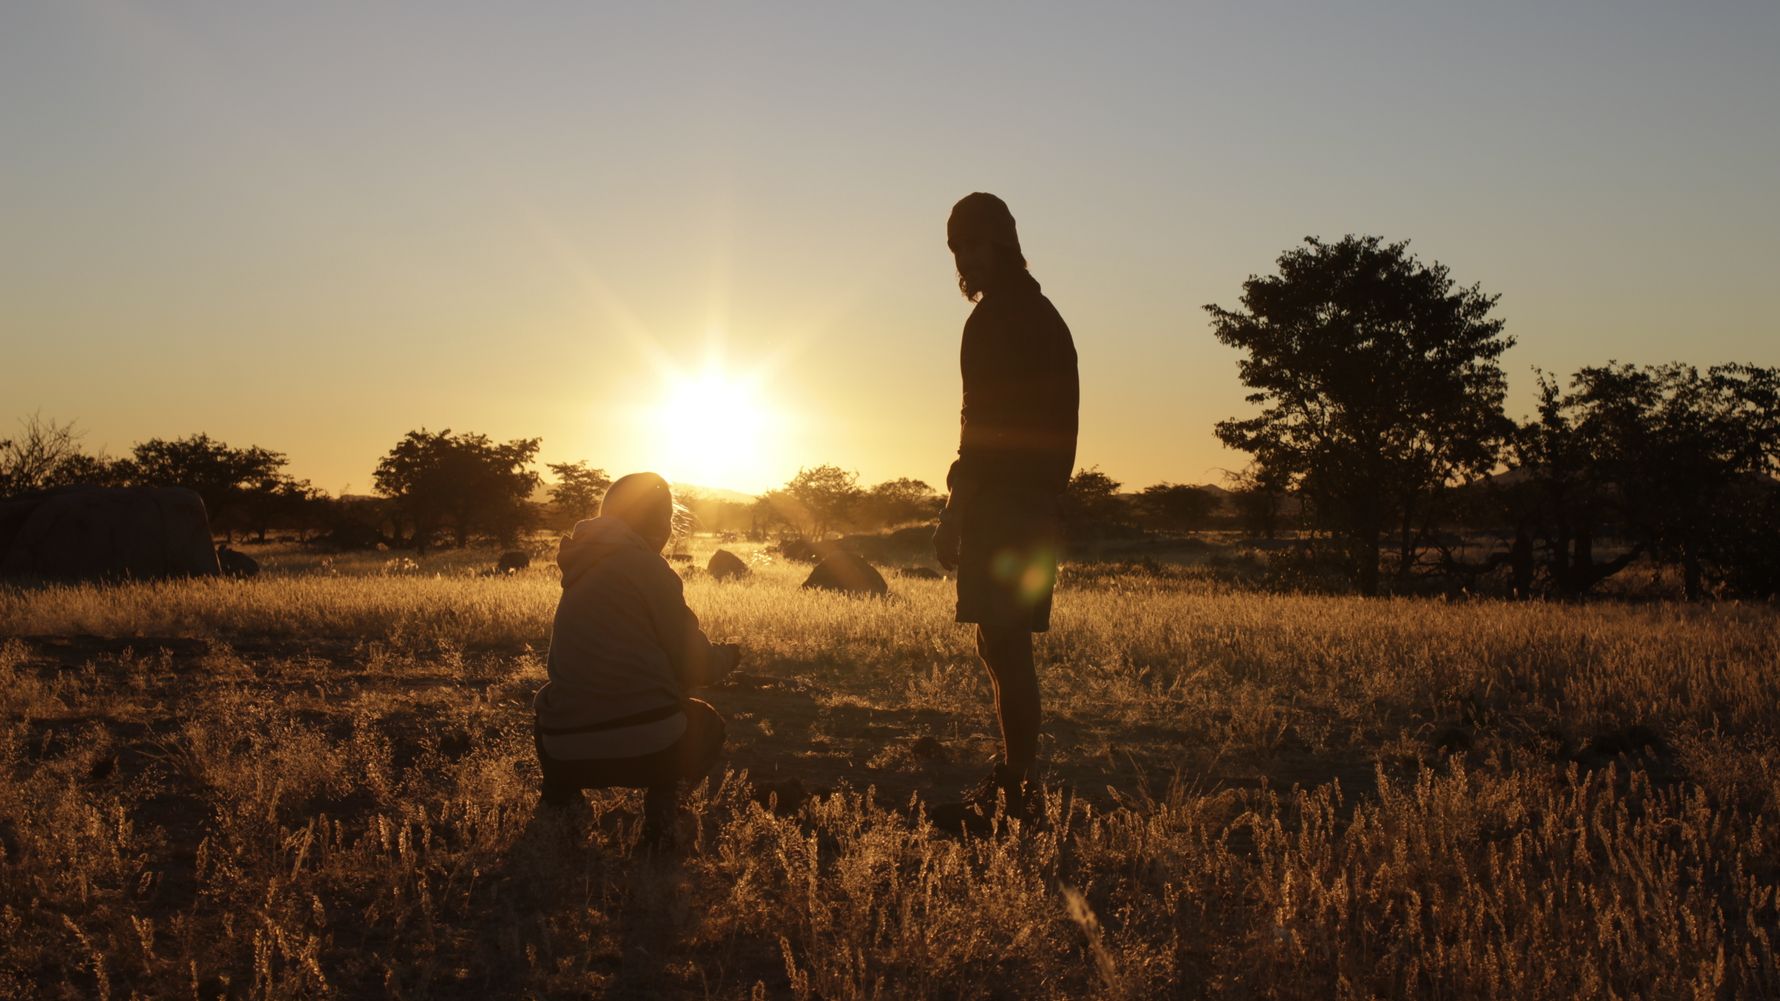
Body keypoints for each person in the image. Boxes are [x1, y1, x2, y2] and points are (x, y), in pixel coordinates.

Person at [931, 192, 1079, 827]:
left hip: (1004, 505)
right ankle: (1017, 780)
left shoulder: (995, 320)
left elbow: (980, 425)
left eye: (975, 243)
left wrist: (955, 508)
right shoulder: (1044, 314)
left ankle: (1018, 789)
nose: (967, 258)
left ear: (1004, 243)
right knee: (1002, 646)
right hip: (1034, 503)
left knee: (1005, 648)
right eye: (958, 247)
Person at [533, 472, 740, 847]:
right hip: (647, 748)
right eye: (666, 519)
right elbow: (697, 665)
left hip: (562, 749)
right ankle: (664, 815)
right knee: (706, 725)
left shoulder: (578, 568)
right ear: (661, 521)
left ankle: (560, 809)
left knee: (551, 706)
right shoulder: (648, 568)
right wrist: (729, 656)